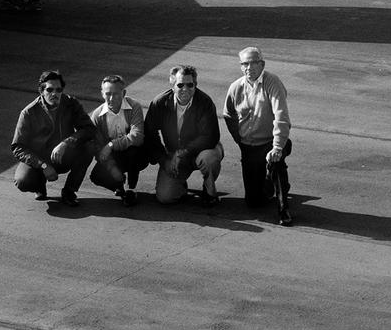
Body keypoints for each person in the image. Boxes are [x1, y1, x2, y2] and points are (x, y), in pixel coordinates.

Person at [224, 46, 293, 226]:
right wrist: (238, 137)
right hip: (249, 145)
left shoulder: (272, 82)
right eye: (245, 64)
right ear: (241, 66)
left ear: (262, 64)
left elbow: (281, 116)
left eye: (254, 63)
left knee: (276, 161)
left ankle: (283, 207)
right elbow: (228, 114)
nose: (249, 67)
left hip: (271, 142)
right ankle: (269, 182)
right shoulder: (235, 87)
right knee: (253, 202)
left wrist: (277, 146)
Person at [11, 70, 96, 207]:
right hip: (40, 160)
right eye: (49, 90)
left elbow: (89, 129)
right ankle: (39, 186)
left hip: (64, 155)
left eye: (58, 90)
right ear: (41, 91)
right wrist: (42, 165)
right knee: (23, 181)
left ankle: (69, 191)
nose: (54, 94)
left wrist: (66, 143)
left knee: (89, 146)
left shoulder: (71, 104)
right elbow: (18, 147)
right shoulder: (28, 113)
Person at [143, 65, 223, 205]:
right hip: (174, 156)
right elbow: (150, 135)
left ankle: (209, 188)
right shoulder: (159, 103)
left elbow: (210, 137)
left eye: (190, 85)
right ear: (172, 85)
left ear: (195, 85)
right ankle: (180, 186)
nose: (185, 89)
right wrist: (164, 161)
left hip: (202, 151)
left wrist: (181, 153)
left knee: (209, 159)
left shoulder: (205, 102)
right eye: (180, 85)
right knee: (165, 197)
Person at [88, 74, 148, 206]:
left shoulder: (134, 107)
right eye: (107, 94)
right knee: (95, 176)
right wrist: (112, 167)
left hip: (134, 153)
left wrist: (111, 144)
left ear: (124, 93)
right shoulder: (97, 116)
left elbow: (137, 137)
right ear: (102, 94)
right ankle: (119, 187)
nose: (111, 98)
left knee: (133, 151)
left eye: (115, 94)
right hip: (114, 156)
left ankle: (132, 188)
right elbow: (98, 147)